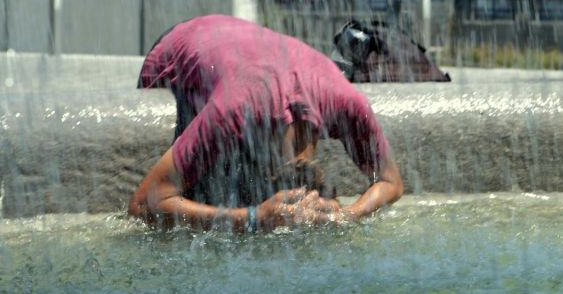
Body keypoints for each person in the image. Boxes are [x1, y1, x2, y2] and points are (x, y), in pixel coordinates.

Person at [128, 15, 404, 232]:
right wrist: (254, 217)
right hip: (175, 47)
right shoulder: (234, 111)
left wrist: (345, 215)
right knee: (200, 216)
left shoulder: (348, 103)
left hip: (233, 36)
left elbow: (392, 182)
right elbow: (142, 205)